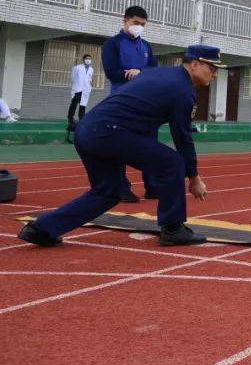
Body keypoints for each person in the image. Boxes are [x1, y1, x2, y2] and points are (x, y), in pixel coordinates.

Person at [17, 45, 223, 248]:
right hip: (111, 132)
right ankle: (173, 229)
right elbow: (182, 137)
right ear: (195, 64)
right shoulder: (182, 90)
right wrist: (194, 177)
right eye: (212, 68)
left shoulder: (157, 73)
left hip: (87, 129)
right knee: (172, 163)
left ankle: (42, 229)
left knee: (108, 191)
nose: (214, 74)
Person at [101, 5, 158, 201]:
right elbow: (110, 72)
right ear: (125, 21)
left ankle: (153, 186)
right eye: (136, 23)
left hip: (145, 102)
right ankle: (121, 188)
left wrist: (141, 73)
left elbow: (154, 71)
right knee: (119, 146)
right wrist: (128, 73)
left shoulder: (146, 47)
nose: (139, 27)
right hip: (121, 102)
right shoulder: (113, 44)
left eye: (143, 24)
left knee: (150, 143)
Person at [65, 53, 94, 143]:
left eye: (89, 59)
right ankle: (70, 117)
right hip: (78, 88)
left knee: (83, 105)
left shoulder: (91, 69)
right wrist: (75, 88)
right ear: (83, 59)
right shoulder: (77, 67)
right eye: (87, 58)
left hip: (86, 89)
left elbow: (90, 79)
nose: (88, 60)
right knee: (74, 104)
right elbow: (73, 78)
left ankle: (82, 119)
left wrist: (89, 86)